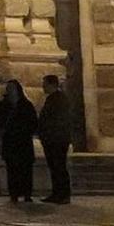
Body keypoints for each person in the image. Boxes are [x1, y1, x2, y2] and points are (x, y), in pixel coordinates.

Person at [0, 70, 42, 204]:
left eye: (12, 89)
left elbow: (33, 123)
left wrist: (24, 131)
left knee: (25, 170)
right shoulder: (3, 106)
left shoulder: (26, 105)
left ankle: (27, 194)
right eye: (9, 89)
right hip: (10, 143)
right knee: (12, 170)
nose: (10, 92)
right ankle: (14, 194)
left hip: (23, 142)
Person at [38, 74, 78, 206]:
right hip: (52, 139)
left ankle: (63, 194)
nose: (43, 86)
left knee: (59, 166)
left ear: (51, 84)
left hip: (57, 139)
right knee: (55, 167)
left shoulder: (59, 99)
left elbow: (57, 120)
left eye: (45, 84)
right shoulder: (54, 98)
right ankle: (57, 193)